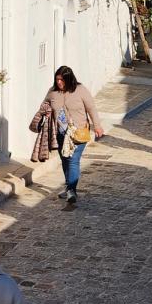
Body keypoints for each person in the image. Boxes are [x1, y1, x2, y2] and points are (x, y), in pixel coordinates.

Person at [35, 65, 104, 206]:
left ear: (69, 79)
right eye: (57, 79)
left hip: (78, 133)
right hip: (60, 134)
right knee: (65, 160)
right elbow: (44, 105)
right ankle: (68, 187)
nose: (59, 82)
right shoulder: (53, 92)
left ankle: (71, 190)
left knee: (73, 160)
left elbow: (91, 108)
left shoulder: (80, 90)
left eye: (62, 80)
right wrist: (45, 112)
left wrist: (97, 126)